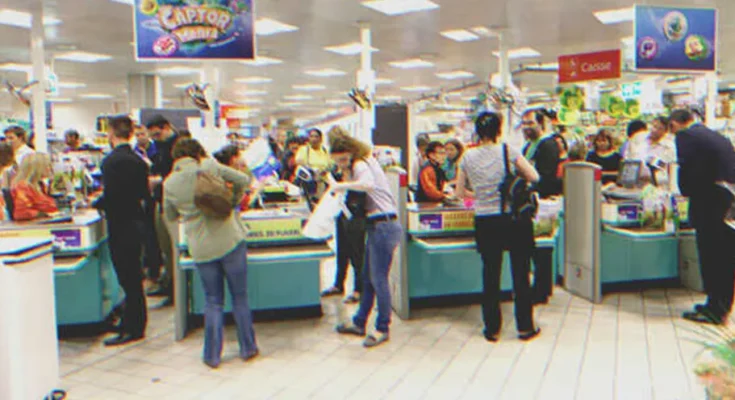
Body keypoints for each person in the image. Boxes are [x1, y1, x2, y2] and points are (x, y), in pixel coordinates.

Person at [163, 138, 258, 368]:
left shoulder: (169, 183)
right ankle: (248, 348)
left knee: (213, 301)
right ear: (197, 153)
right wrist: (232, 201)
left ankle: (212, 356)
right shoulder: (208, 166)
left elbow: (171, 215)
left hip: (201, 247)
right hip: (230, 239)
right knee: (240, 297)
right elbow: (244, 179)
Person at [455, 111, 541, 342]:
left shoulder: (467, 157)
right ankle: (525, 327)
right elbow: (534, 176)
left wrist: (482, 193)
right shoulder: (508, 150)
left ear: (477, 131)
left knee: (490, 274)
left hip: (484, 219)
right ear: (499, 130)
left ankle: (492, 328)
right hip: (511, 219)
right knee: (520, 273)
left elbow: (459, 193)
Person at [330, 132, 403, 348]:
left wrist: (340, 186)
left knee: (378, 279)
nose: (342, 164)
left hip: (383, 225)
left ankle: (382, 328)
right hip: (380, 225)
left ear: (351, 152)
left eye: (343, 159)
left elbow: (367, 184)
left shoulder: (361, 163)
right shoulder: (364, 161)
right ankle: (360, 321)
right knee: (368, 277)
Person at [672, 109, 735, 325]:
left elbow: (687, 172)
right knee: (725, 256)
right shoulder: (718, 136)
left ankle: (714, 310)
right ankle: (719, 304)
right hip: (726, 201)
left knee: (710, 254)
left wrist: (685, 191)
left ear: (674, 124)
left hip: (708, 202)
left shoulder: (686, 136)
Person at [93, 115, 150, 346]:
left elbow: (112, 196)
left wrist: (96, 203)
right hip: (136, 223)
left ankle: (133, 328)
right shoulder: (139, 161)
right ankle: (134, 321)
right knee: (135, 277)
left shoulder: (110, 162)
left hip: (121, 225)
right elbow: (144, 193)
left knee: (127, 278)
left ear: (111, 134)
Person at [321, 127, 367, 304]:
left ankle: (358, 289)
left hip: (356, 212)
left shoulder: (358, 165)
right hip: (343, 210)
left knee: (357, 253)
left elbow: (360, 188)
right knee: (342, 249)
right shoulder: (341, 165)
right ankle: (339, 284)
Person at [145, 115, 179, 303]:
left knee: (171, 247)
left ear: (166, 127)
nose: (155, 139)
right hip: (161, 200)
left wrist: (159, 179)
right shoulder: (160, 147)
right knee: (165, 248)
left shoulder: (178, 146)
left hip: (172, 204)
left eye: (157, 134)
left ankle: (175, 290)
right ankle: (169, 284)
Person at [521, 109, 561, 198]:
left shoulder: (548, 144)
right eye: (523, 123)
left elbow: (547, 176)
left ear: (540, 124)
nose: (526, 127)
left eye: (530, 123)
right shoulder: (528, 145)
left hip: (543, 196)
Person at [10, 153, 58, 221]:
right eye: (48, 166)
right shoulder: (22, 187)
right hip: (33, 227)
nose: (50, 169)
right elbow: (21, 213)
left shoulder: (40, 186)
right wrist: (45, 215)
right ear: (37, 168)